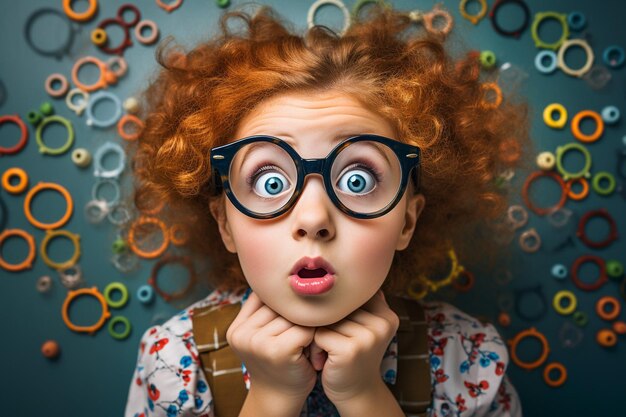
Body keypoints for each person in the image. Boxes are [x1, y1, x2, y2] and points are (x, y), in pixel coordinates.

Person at [124, 3, 528, 417]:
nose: (314, 219)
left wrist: (364, 396)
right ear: (224, 222)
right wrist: (271, 399)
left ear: (407, 219)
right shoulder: (173, 363)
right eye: (271, 182)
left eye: (358, 181)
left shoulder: (469, 362)